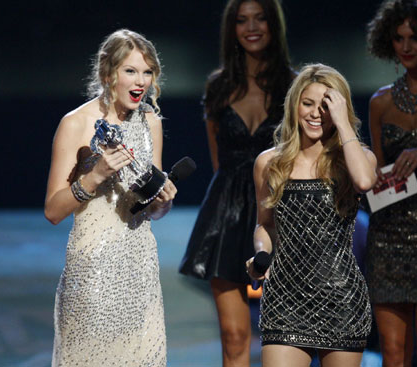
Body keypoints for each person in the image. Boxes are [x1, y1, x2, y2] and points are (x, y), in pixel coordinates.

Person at [44, 29, 176, 366]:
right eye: (130, 71)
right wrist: (95, 176)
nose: (141, 81)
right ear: (108, 73)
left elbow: (148, 208)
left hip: (140, 269)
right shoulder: (76, 124)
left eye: (147, 72)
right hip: (91, 273)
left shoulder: (151, 122)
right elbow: (53, 211)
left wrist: (162, 202)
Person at [179, 0, 295, 365]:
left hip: (280, 213)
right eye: (242, 20)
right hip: (225, 215)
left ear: (273, 25)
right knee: (233, 336)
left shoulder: (294, 87)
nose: (251, 27)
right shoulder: (218, 87)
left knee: (288, 337)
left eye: (260, 18)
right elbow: (219, 161)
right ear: (232, 29)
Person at [246, 63, 377, 367]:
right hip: (284, 298)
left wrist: (344, 125)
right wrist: (262, 253)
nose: (316, 114)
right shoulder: (269, 163)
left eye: (326, 106)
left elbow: (364, 182)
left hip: (341, 299)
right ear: (295, 105)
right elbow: (264, 224)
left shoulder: (356, 159)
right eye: (308, 104)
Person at [365, 0, 417, 366]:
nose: (407, 46)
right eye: (399, 38)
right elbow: (377, 173)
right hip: (388, 233)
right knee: (393, 353)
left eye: (416, 37)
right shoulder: (381, 102)